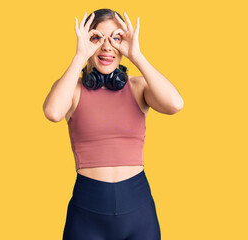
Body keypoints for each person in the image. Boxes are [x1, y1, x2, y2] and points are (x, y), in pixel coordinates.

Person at [42, 8, 184, 240]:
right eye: (97, 38)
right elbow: (53, 112)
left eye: (116, 38)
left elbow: (175, 104)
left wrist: (136, 55)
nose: (107, 46)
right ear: (85, 41)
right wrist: (79, 57)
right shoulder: (73, 89)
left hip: (139, 216)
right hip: (87, 217)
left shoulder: (138, 87)